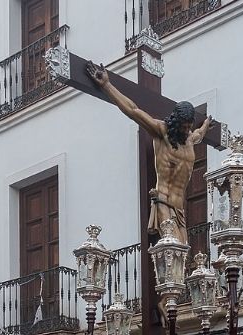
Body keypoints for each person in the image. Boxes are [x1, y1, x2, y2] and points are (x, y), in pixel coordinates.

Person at [86, 61, 212, 244]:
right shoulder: (161, 131)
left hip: (180, 209)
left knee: (183, 255)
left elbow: (199, 134)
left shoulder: (190, 139)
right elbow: (133, 110)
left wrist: (206, 125)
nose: (186, 130)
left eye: (188, 127)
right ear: (176, 122)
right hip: (163, 201)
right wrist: (106, 85)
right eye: (183, 126)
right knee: (173, 251)